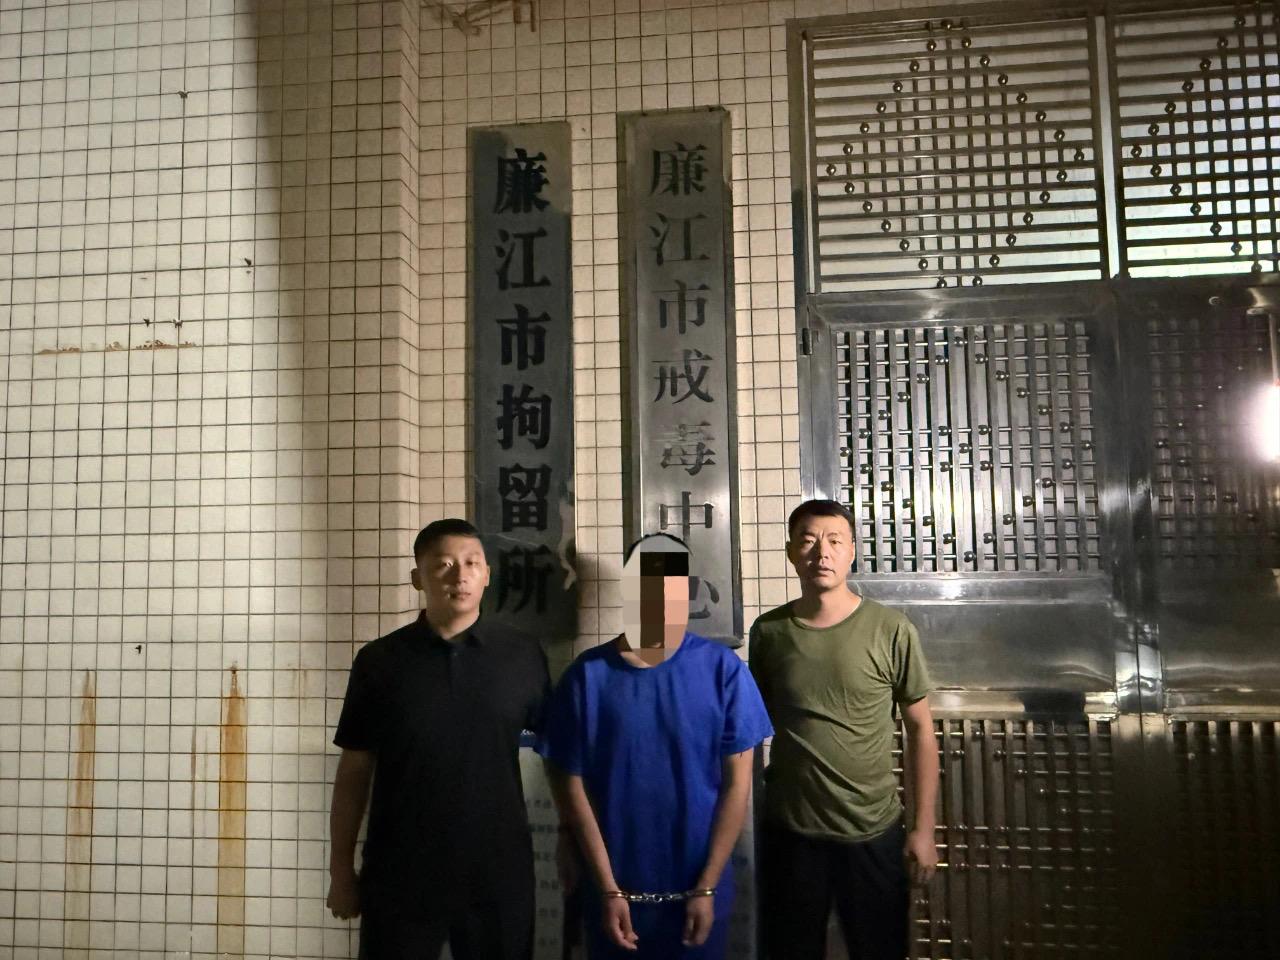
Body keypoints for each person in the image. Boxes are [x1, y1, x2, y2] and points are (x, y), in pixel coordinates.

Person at [538, 534, 773, 959]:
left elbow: (737, 787)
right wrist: (607, 888)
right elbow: (568, 782)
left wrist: (707, 886)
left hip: (699, 893)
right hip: (613, 898)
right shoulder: (587, 676)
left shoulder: (723, 671)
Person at [326, 518, 550, 960]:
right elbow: (353, 772)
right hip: (400, 871)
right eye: (443, 564)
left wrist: (573, 846)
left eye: (471, 563)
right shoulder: (380, 661)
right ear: (418, 578)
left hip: (498, 871)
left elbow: (559, 755)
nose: (459, 575)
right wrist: (341, 871)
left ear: (487, 575)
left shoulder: (522, 655)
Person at [750, 499, 939, 960]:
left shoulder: (891, 629)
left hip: (872, 831)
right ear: (791, 552)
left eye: (835, 541)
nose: (822, 552)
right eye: (808, 541)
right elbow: (752, 729)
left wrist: (922, 829)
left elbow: (920, 731)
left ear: (852, 550)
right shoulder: (769, 632)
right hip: (791, 833)